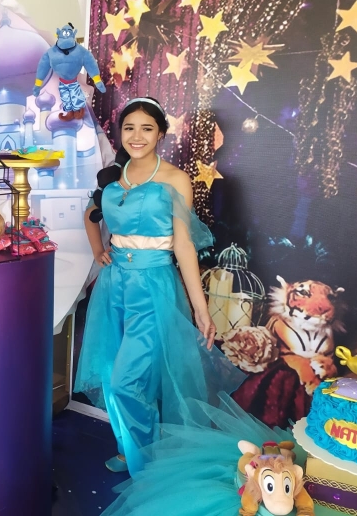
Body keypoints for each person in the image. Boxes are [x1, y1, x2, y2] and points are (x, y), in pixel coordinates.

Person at [73, 96, 245, 475]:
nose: (137, 136)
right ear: (120, 133)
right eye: (129, 128)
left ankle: (145, 462)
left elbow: (183, 246)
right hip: (113, 286)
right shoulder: (111, 176)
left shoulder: (174, 178)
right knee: (110, 372)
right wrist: (100, 250)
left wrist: (200, 309)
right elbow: (91, 215)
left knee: (127, 381)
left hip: (152, 287)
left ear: (161, 134)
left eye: (147, 128)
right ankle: (127, 448)